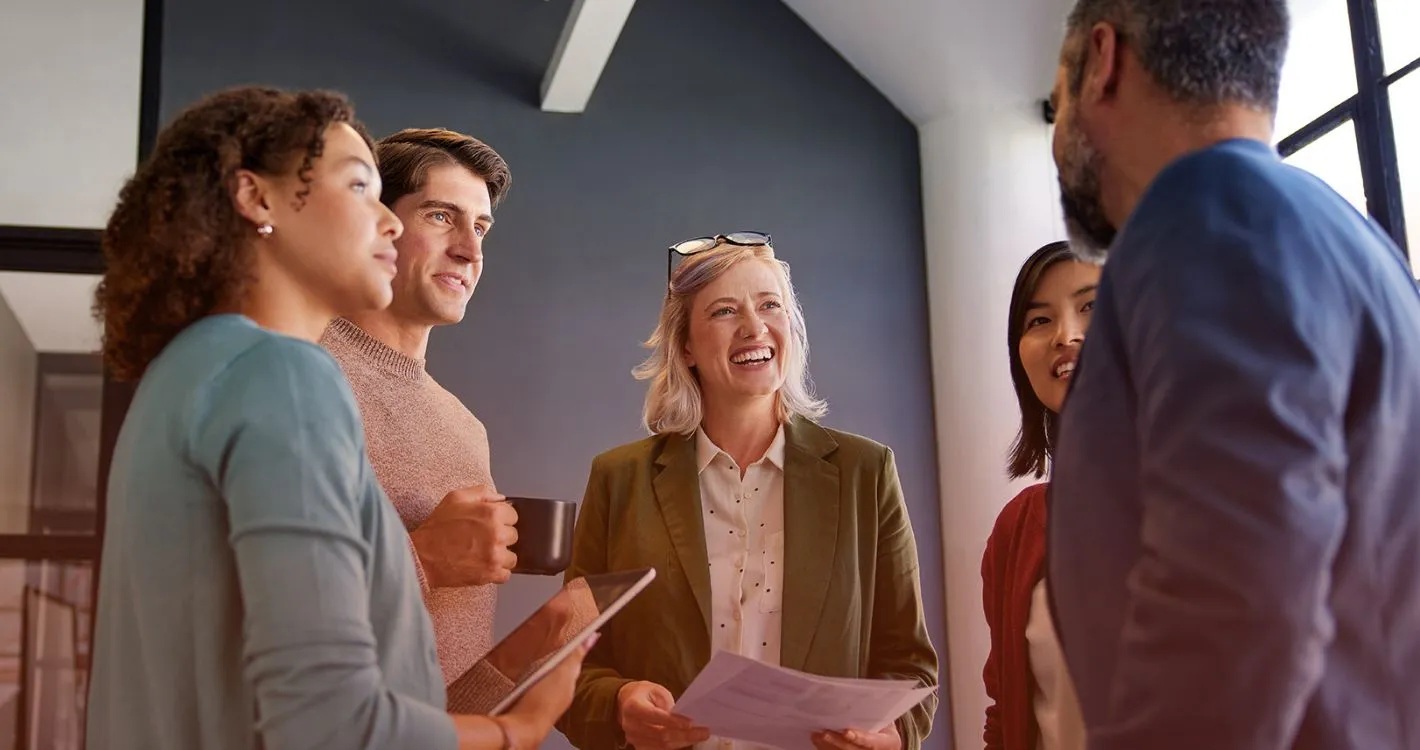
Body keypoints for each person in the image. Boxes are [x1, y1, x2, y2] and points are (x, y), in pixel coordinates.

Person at [85, 85, 586, 750]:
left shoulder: (194, 370)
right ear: (257, 198)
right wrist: (515, 731)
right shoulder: (284, 374)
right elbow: (332, 725)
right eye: (360, 189)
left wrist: (521, 659)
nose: (384, 222)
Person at [1044, 1, 1420, 748]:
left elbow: (1241, 592)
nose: (1055, 137)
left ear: (1104, 63)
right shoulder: (1359, 248)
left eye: (1056, 100)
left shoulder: (1203, 210)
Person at [558, 235, 939, 750]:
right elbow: (570, 663)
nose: (754, 327)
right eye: (723, 311)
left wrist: (894, 736)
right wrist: (620, 702)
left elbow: (910, 668)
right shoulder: (618, 479)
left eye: (769, 305)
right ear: (686, 346)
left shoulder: (866, 473)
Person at [318, 127, 517, 709]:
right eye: (440, 217)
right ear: (376, 225)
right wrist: (425, 559)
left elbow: (447, 671)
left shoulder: (466, 429)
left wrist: (529, 665)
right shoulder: (301, 376)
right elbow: (248, 600)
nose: (470, 250)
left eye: (479, 228)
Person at [981, 241, 1097, 750]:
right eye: (1038, 321)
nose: (1066, 336)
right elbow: (1007, 719)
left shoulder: (1219, 500)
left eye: (1091, 307)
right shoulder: (1018, 527)